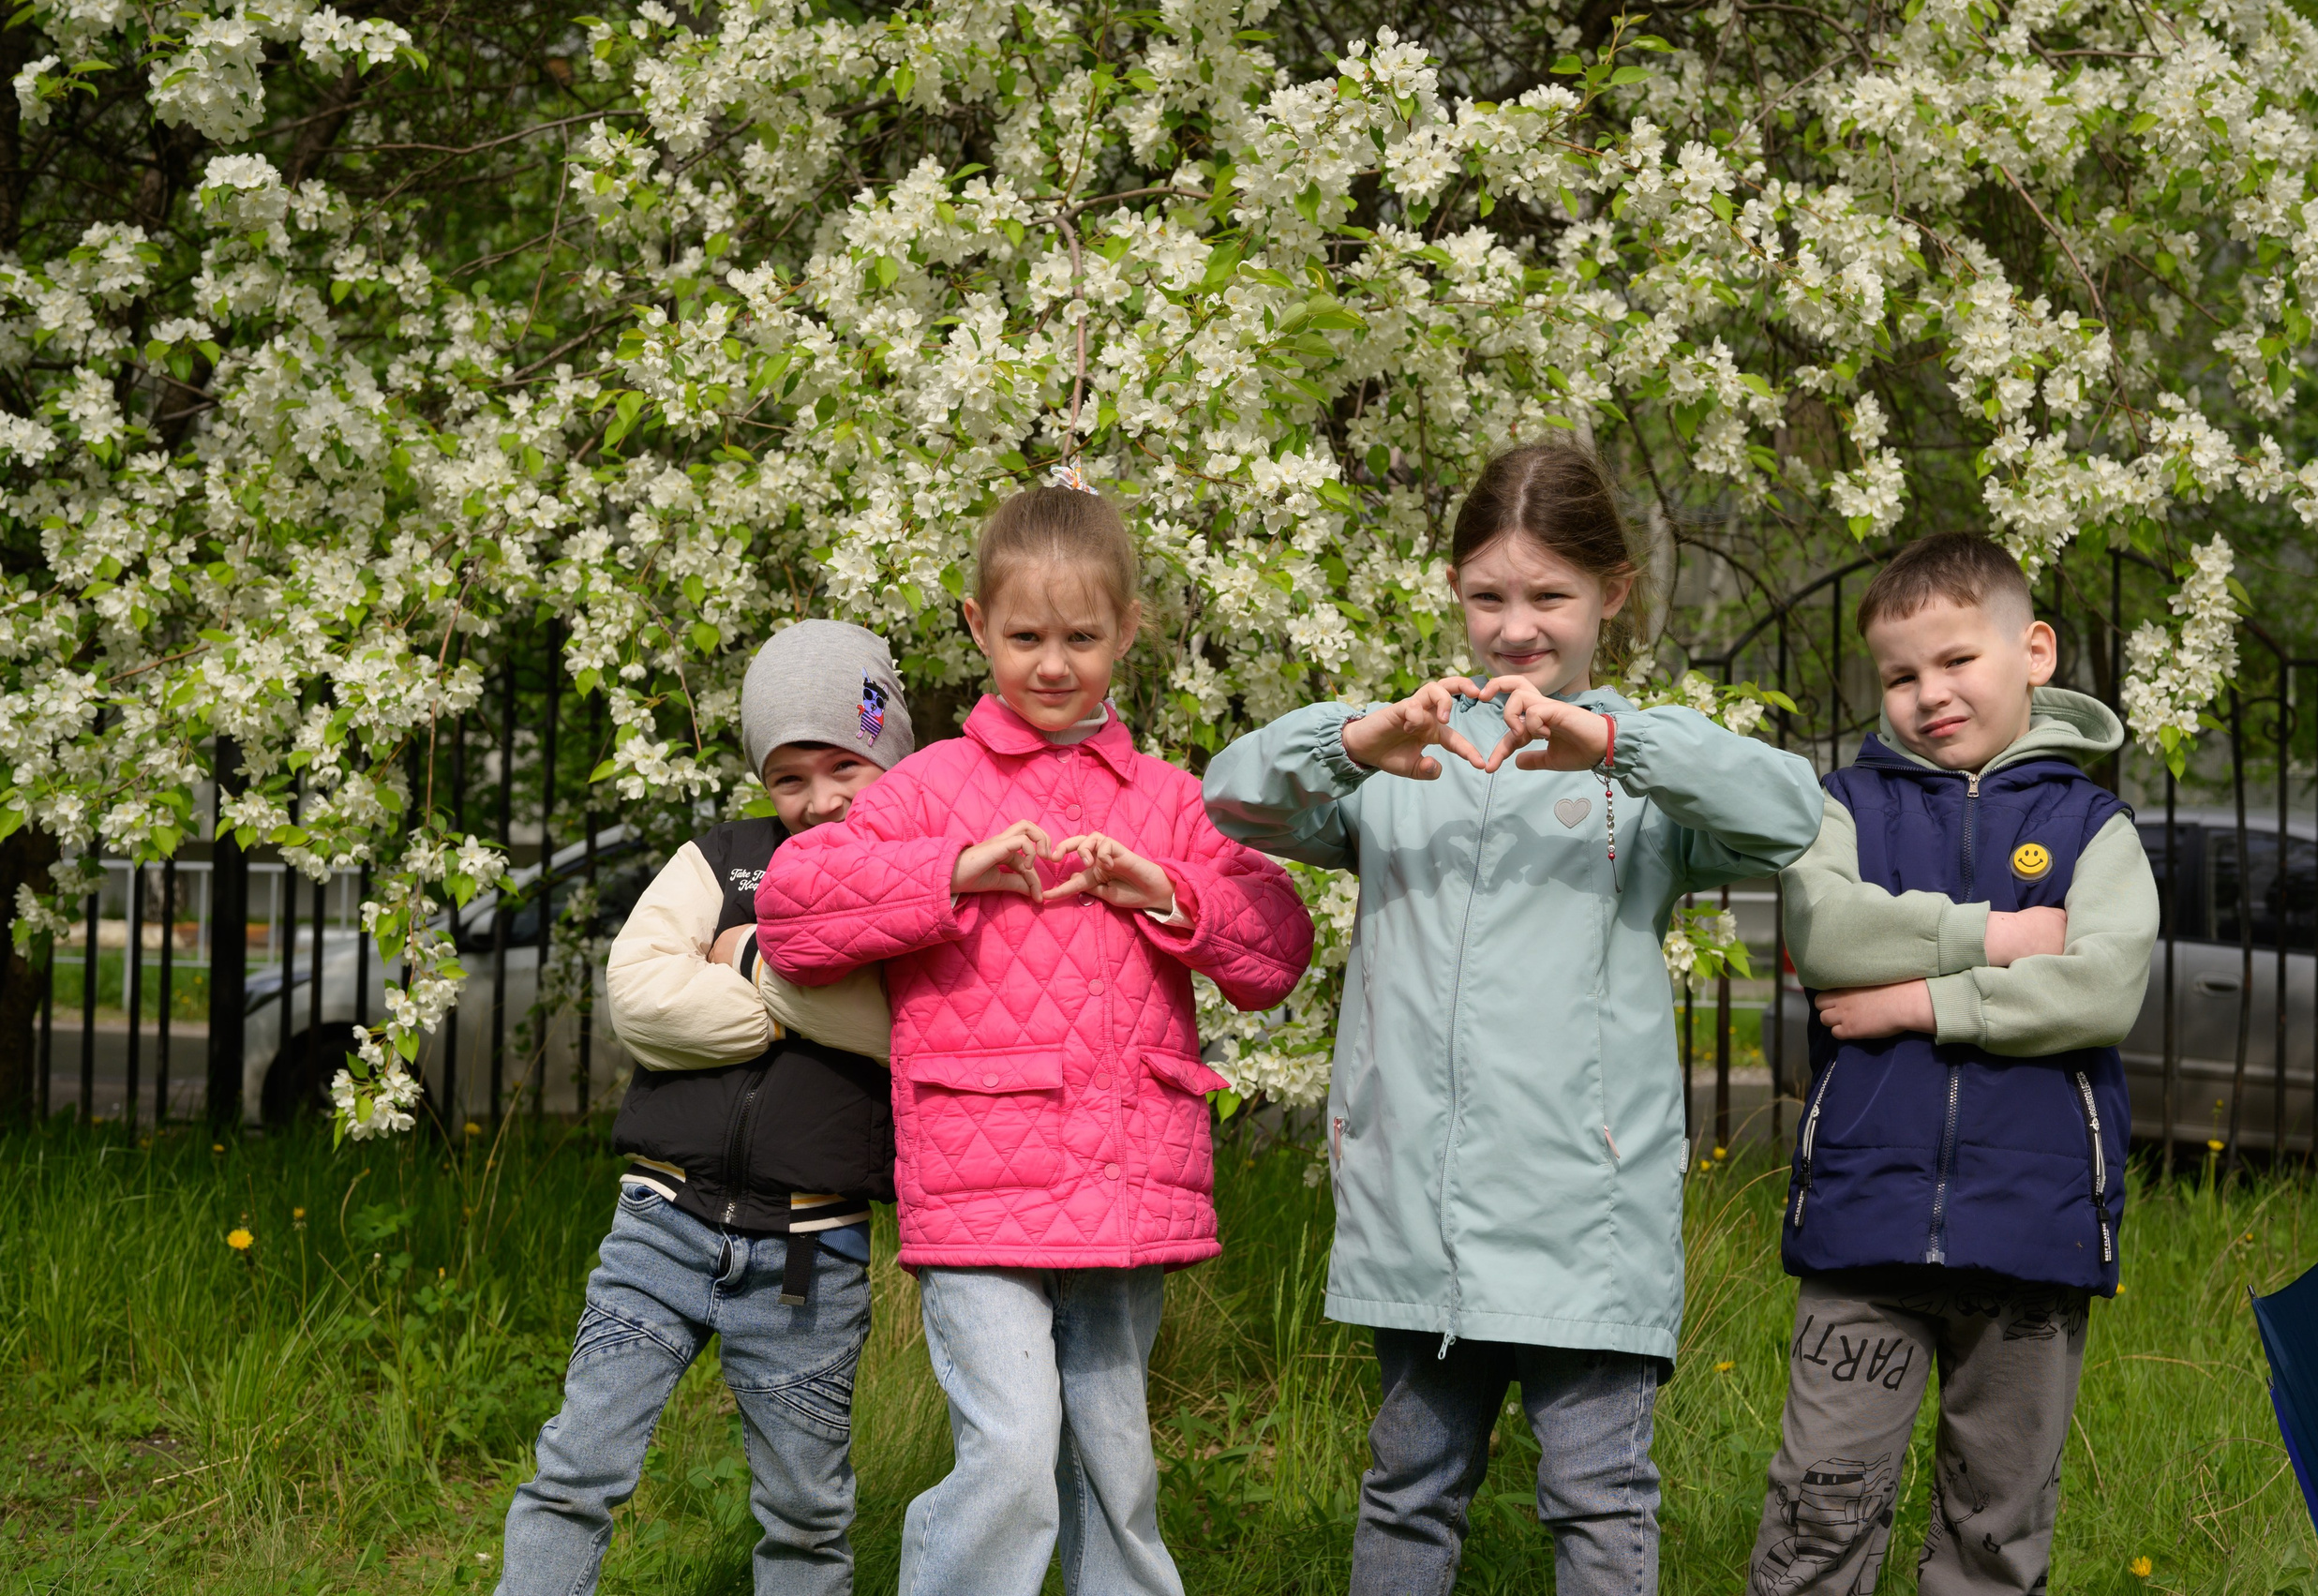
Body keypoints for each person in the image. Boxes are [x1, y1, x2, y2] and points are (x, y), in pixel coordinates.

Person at [1201, 440, 1824, 1595]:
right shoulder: (1401, 752)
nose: (1516, 626)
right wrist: (1351, 741)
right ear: (1454, 593)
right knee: (1407, 1490)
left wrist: (1616, 744)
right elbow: (1228, 797)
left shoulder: (1637, 773)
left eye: (1550, 595)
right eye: (1488, 595)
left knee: (1597, 1499)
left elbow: (1790, 813)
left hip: (1586, 1218)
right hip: (1416, 1218)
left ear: (1613, 595)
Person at [752, 473, 1315, 1596]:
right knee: (1011, 1458)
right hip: (979, 1190)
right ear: (977, 627)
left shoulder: (1168, 799)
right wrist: (950, 870)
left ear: (1128, 630)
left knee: (1117, 1468)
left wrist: (1169, 891)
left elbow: (1276, 949)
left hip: (1123, 1187)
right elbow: (794, 909)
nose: (1051, 663)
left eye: (1081, 635)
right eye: (1023, 635)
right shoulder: (927, 789)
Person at [1744, 532, 2158, 1596]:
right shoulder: (1846, 806)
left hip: (2034, 1228)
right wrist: (2002, 937)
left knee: (1996, 1517)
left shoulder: (2091, 827)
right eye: (1898, 673)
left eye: (1955, 659)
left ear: (2033, 651)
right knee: (1818, 1503)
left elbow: (2101, 988)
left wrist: (1911, 997)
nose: (1927, 692)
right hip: (1863, 1222)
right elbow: (1830, 933)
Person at [497, 619, 914, 1596]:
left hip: (812, 1251)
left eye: (843, 766)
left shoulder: (917, 889)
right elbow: (641, 993)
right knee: (578, 1466)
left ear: (888, 748)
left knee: (807, 1511)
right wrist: (794, 1009)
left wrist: (746, 958)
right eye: (788, 776)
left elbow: (903, 1024)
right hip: (660, 1222)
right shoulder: (723, 860)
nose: (817, 801)